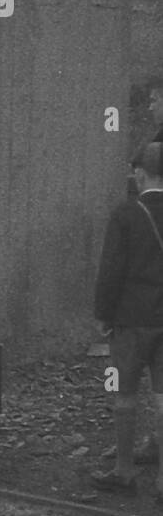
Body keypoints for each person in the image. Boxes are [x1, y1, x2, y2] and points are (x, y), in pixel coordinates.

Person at [93, 141, 163, 497]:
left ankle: (124, 470)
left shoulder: (126, 213)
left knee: (125, 394)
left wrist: (103, 315)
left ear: (139, 174)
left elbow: (111, 271)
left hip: (131, 320)